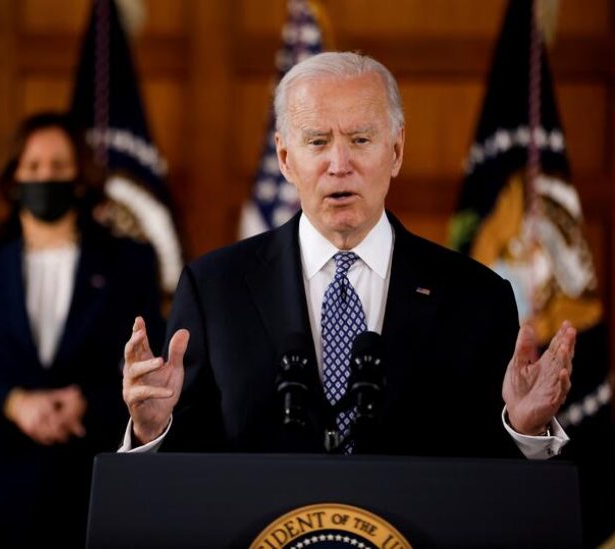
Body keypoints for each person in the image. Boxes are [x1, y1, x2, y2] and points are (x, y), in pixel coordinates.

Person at [121, 52, 575, 460]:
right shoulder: (214, 289)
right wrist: (153, 430)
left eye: (360, 140)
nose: (339, 164)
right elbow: (187, 472)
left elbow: (492, 483)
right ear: (284, 158)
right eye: (317, 141)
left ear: (395, 151)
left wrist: (524, 430)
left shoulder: (476, 295)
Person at [0, 111, 164, 547]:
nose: (44, 177)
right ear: (14, 178)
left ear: (79, 178)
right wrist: (13, 405)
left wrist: (86, 404)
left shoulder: (130, 262)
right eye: (32, 167)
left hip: (91, 493)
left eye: (58, 166)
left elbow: (151, 372)